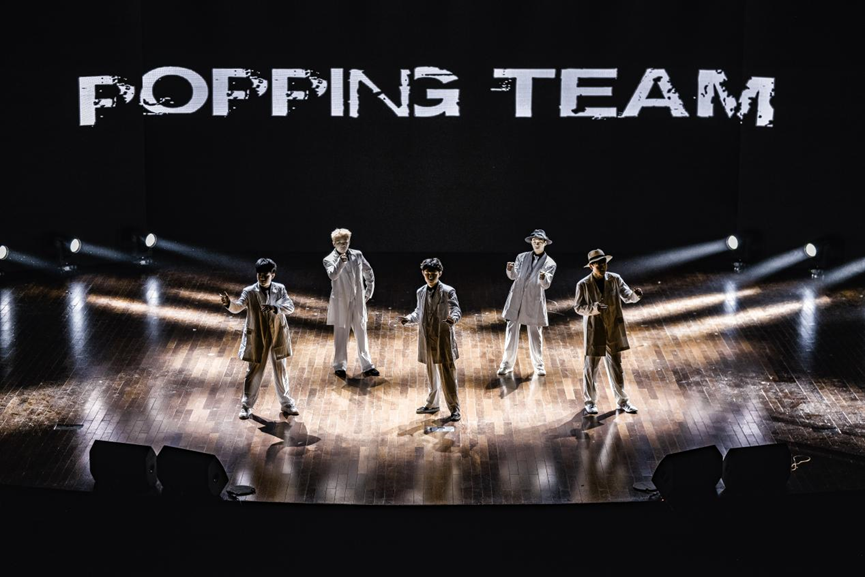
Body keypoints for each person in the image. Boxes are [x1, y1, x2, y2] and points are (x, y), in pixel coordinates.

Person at [220, 258, 299, 420]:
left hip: (277, 335)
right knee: (254, 371)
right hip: (258, 336)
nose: (262, 278)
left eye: (266, 275)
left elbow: (290, 307)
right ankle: (246, 406)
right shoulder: (249, 292)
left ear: (273, 275)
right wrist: (228, 303)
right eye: (259, 275)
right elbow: (238, 307)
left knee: (280, 370)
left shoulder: (280, 289)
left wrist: (275, 308)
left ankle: (287, 404)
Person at [574, 249, 642, 415]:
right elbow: (578, 307)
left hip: (612, 329)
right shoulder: (583, 284)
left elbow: (627, 296)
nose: (602, 266)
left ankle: (622, 401)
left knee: (616, 367)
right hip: (594, 329)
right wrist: (594, 308)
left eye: (604, 263)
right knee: (591, 367)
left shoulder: (615, 279)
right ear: (591, 266)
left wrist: (635, 296)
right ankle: (590, 402)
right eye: (598, 264)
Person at [399, 258, 462, 422]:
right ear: (423, 273)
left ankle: (454, 409)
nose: (430, 276)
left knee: (448, 376)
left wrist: (453, 318)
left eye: (433, 273)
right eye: (427, 273)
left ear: (439, 273)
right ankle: (432, 404)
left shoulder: (448, 291)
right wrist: (408, 318)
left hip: (443, 339)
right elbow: (419, 312)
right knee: (431, 374)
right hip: (427, 339)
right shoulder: (420, 292)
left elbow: (456, 309)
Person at [498, 229, 557, 376]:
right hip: (517, 298)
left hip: (533, 300)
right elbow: (514, 276)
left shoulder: (550, 263)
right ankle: (506, 364)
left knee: (535, 334)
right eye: (534, 241)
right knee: (511, 332)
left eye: (539, 241)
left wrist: (543, 278)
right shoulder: (522, 257)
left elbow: (546, 285)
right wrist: (510, 270)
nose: (536, 243)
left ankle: (539, 365)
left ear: (545, 243)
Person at [323, 228, 379, 379]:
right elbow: (333, 275)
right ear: (334, 243)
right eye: (339, 242)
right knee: (341, 334)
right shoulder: (329, 259)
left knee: (361, 331)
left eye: (345, 242)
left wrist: (368, 291)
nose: (343, 245)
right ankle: (339, 365)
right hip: (341, 303)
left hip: (358, 301)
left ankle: (367, 365)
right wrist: (341, 262)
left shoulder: (357, 254)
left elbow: (368, 271)